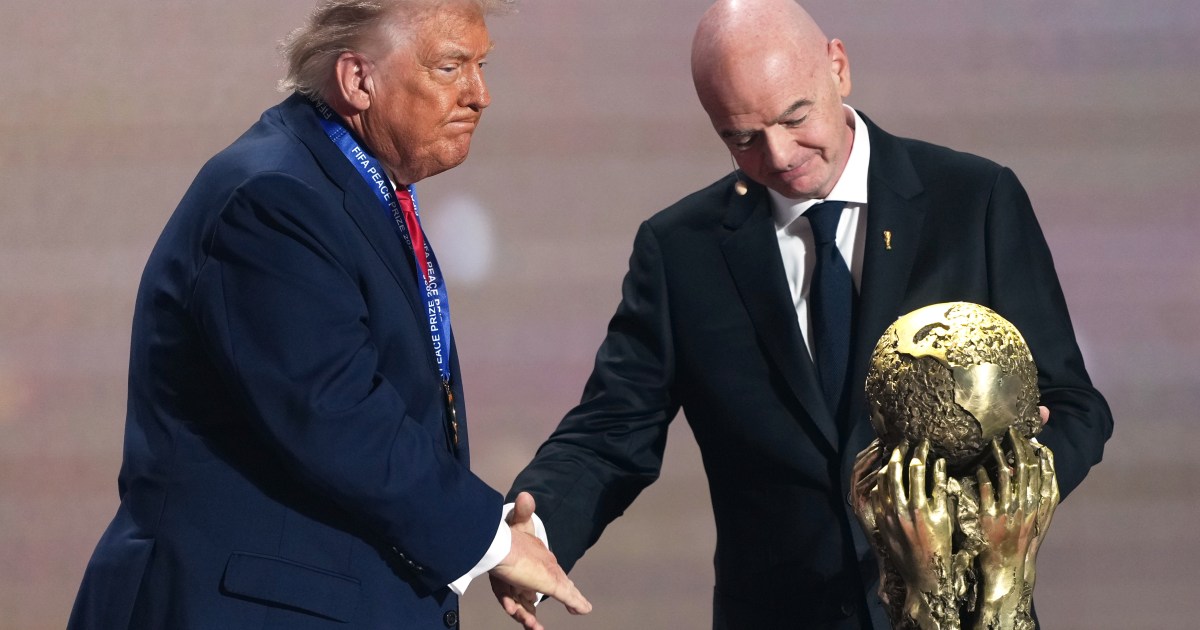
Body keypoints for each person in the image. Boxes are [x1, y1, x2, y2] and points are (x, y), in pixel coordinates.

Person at [503, 1, 1112, 628]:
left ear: (838, 68)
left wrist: (984, 506)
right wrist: (534, 532)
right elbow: (611, 431)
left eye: (795, 117)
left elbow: (1071, 403)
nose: (779, 154)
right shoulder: (681, 251)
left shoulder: (973, 200)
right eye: (741, 138)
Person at [67, 1, 589, 628]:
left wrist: (490, 534)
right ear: (357, 80)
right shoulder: (274, 198)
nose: (480, 95)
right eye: (451, 68)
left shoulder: (348, 187)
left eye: (482, 66)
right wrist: (492, 543)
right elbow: (336, 412)